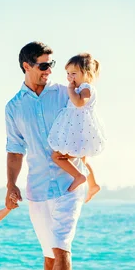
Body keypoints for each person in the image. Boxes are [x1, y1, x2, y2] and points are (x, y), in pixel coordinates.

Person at [5, 42, 88, 270]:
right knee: (49, 253)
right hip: (37, 187)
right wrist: (10, 184)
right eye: (43, 65)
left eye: (51, 65)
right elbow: (15, 150)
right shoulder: (14, 106)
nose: (49, 70)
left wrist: (85, 166)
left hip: (69, 182)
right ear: (26, 66)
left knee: (61, 245)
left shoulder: (63, 94)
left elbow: (83, 124)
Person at [48, 53, 106, 202]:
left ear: (86, 74)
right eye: (68, 73)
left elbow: (79, 103)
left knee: (56, 156)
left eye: (74, 73)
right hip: (79, 129)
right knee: (82, 159)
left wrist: (70, 90)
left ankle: (79, 176)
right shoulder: (81, 87)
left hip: (78, 129)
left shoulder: (86, 88)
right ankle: (93, 185)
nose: (69, 77)